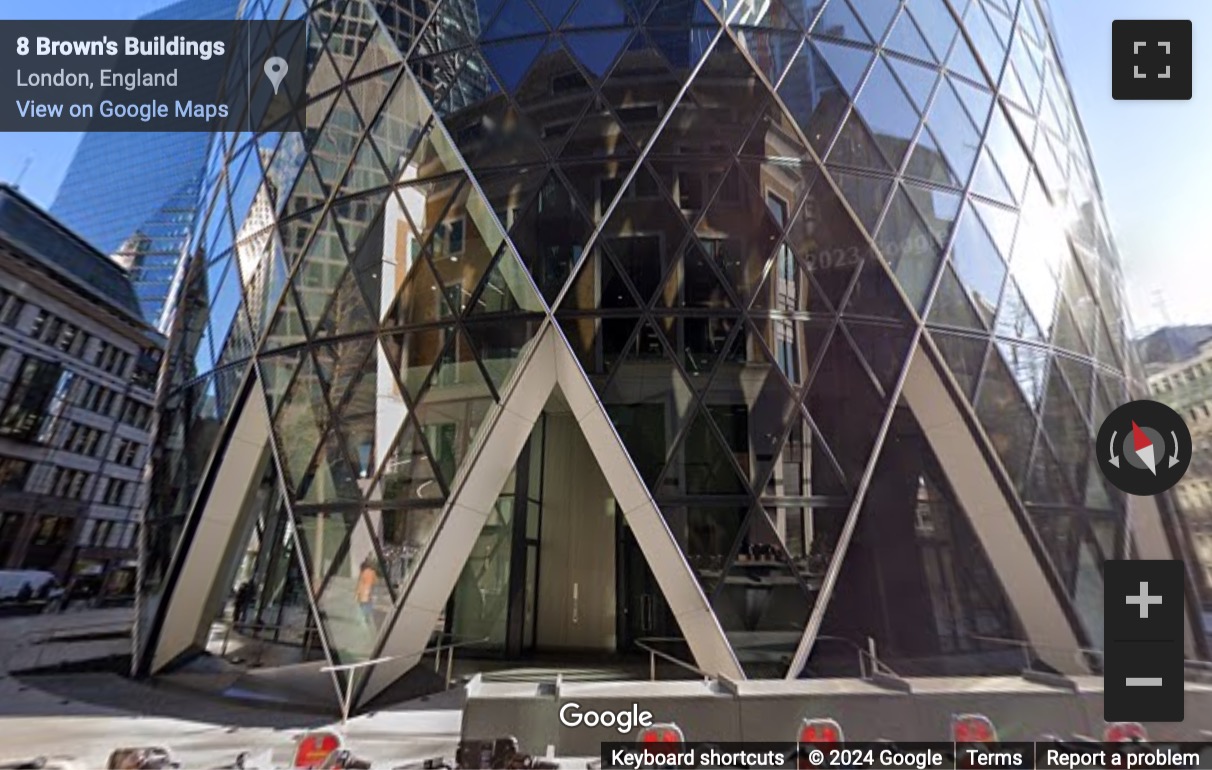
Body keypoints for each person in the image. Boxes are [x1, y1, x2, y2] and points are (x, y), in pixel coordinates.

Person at [356, 557, 378, 627]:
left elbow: (360, 582)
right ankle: (366, 620)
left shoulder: (363, 572)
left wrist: (357, 593)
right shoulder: (372, 572)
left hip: (362, 592)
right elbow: (375, 582)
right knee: (368, 607)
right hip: (369, 592)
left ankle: (363, 620)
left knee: (363, 606)